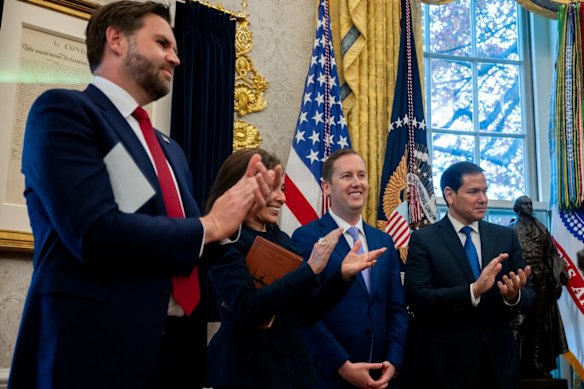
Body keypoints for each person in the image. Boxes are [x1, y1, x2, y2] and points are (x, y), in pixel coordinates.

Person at [8, 2, 277, 389]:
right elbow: (94, 232)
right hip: (91, 352)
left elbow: (188, 239)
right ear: (115, 39)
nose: (176, 58)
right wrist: (211, 223)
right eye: (163, 43)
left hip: (175, 355)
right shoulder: (65, 112)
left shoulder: (171, 150)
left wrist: (232, 218)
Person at [204, 148, 386, 389]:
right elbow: (250, 309)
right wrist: (309, 270)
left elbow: (306, 313)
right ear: (243, 188)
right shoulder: (225, 242)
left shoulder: (281, 238)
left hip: (291, 370)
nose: (282, 199)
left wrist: (341, 277)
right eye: (273, 189)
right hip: (245, 370)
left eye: (283, 190)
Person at [403, 161, 534, 389]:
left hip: (499, 367)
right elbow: (418, 298)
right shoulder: (424, 240)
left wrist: (513, 296)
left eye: (484, 191)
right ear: (450, 195)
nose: (483, 198)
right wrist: (472, 291)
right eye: (473, 192)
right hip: (445, 368)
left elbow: (530, 295)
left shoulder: (505, 237)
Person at [291, 149, 409, 389]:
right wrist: (342, 365)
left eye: (362, 175)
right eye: (346, 176)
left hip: (382, 376)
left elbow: (396, 308)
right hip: (330, 376)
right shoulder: (306, 238)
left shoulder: (383, 241)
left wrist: (393, 361)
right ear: (326, 187)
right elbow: (305, 313)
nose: (357, 183)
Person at [508, 195, 569, 378]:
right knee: (518, 323)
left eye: (529, 203)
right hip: (520, 281)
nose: (528, 206)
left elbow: (552, 253)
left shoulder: (542, 229)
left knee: (538, 322)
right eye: (524, 204)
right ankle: (514, 363)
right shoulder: (510, 230)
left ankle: (534, 363)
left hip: (541, 280)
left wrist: (555, 272)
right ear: (516, 208)